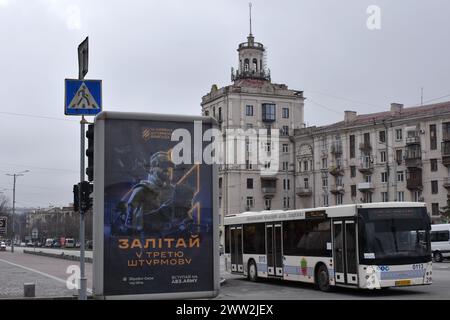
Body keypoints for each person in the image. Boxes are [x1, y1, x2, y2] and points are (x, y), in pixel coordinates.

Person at [117, 151, 195, 237]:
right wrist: (160, 212)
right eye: (162, 166)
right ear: (152, 169)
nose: (167, 169)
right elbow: (130, 223)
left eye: (169, 166)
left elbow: (186, 218)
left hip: (171, 239)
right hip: (146, 239)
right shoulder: (142, 189)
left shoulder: (174, 190)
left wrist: (185, 221)